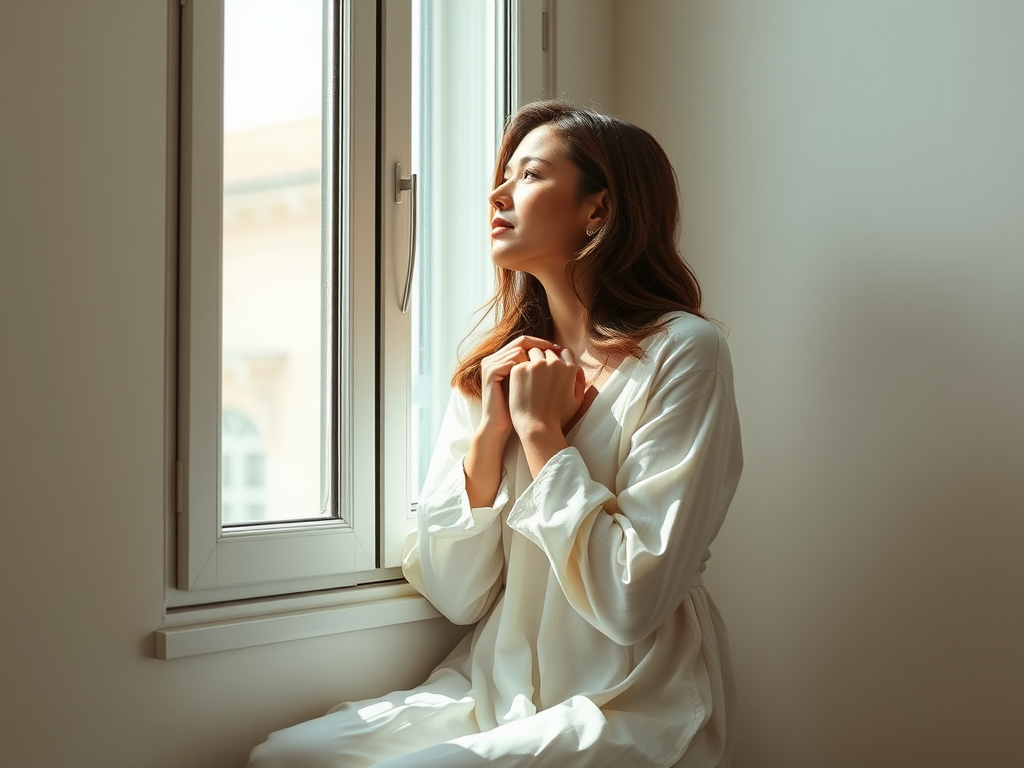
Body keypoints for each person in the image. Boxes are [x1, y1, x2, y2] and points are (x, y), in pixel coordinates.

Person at [248, 100, 743, 768]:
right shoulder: (499, 367)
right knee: (284, 758)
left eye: (529, 175)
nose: (497, 194)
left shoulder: (685, 353)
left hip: (627, 697)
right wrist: (490, 433)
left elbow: (631, 601)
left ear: (598, 209)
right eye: (503, 176)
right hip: (496, 684)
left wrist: (541, 435)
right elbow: (457, 595)